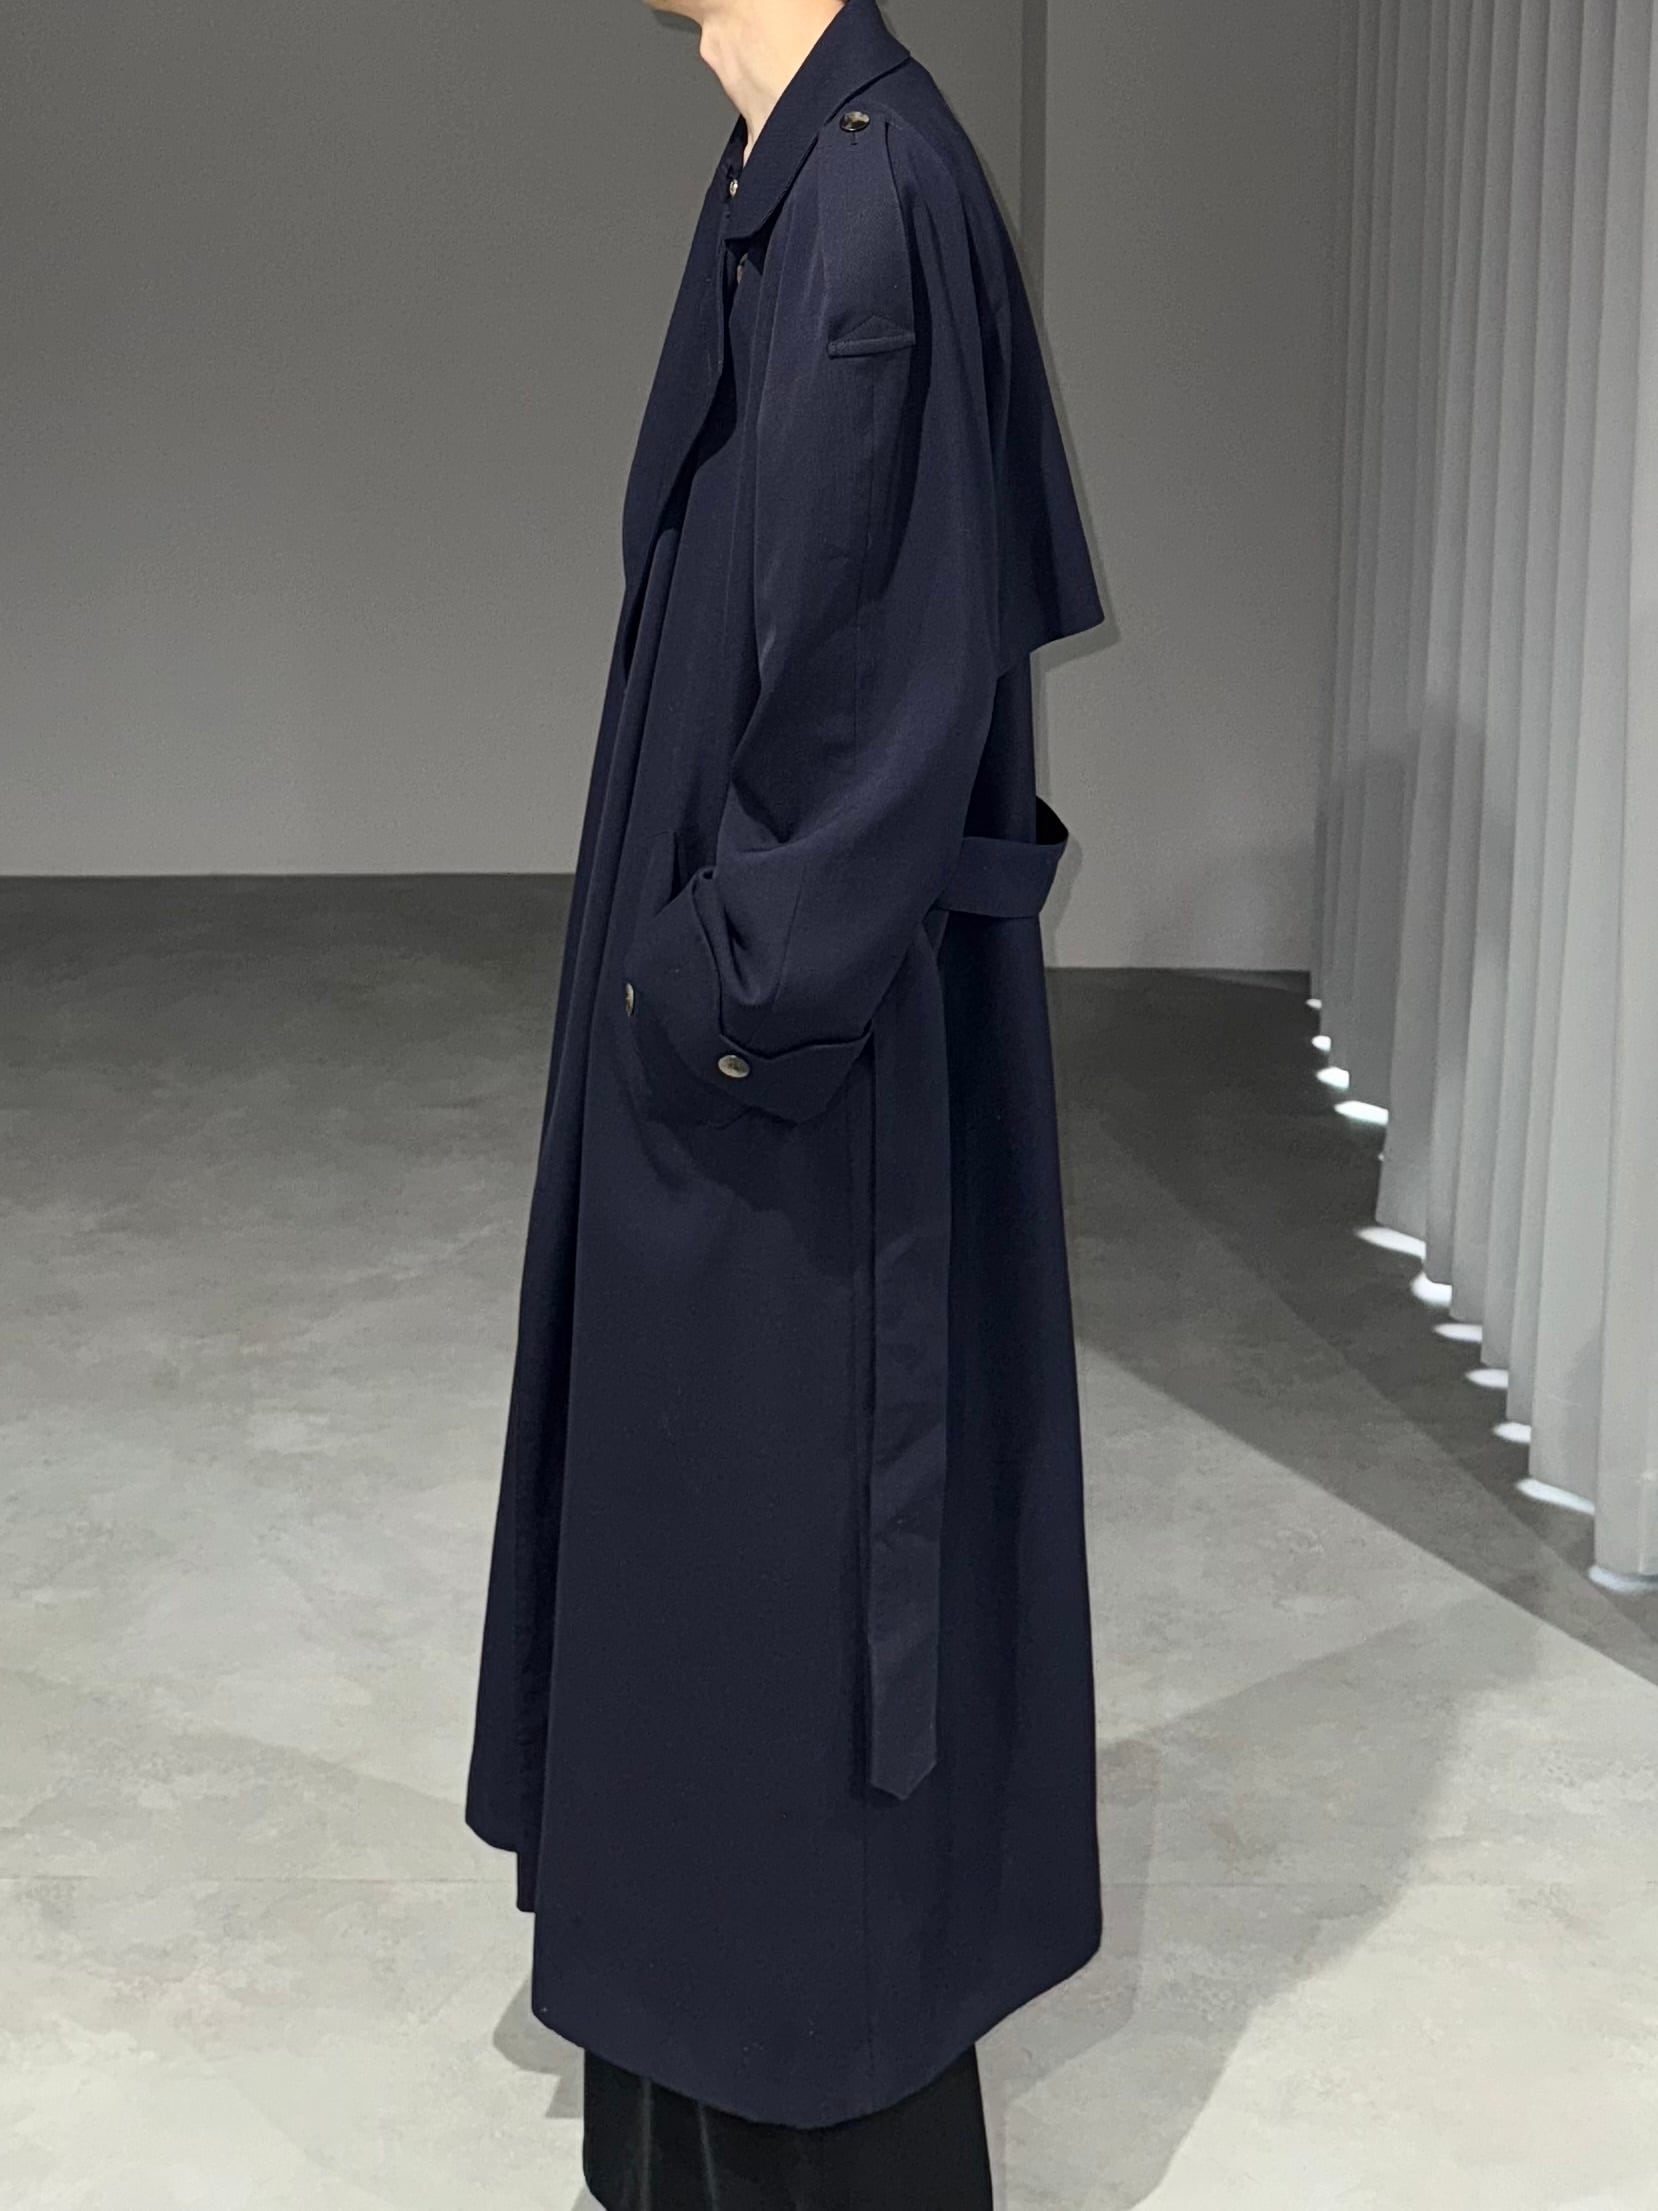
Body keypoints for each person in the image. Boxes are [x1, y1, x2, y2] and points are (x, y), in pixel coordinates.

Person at [462, 1, 1113, 2202]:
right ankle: (687, 2111)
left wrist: (716, 998)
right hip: (753, 1043)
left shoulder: (864, 196)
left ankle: (794, 2125)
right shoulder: (791, 167)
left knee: (783, 1609)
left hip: (796, 1080)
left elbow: (870, 706)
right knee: (710, 1598)